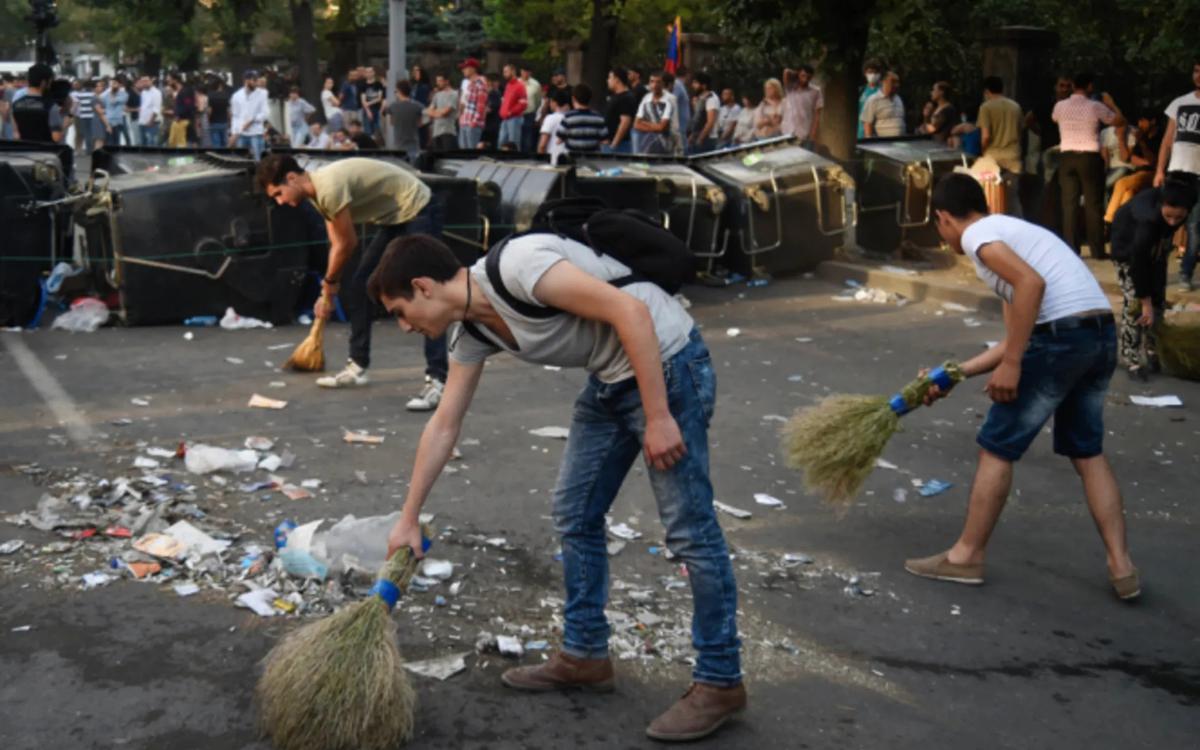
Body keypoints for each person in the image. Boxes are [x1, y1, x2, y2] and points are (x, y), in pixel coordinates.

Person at [368, 236, 746, 744]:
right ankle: (586, 654)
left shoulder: (521, 266)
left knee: (689, 531)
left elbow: (631, 312)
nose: (405, 325)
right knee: (575, 513)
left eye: (400, 311)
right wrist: (408, 518)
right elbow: (443, 424)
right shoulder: (471, 332)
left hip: (668, 364)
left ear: (422, 287)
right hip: (611, 380)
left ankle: (721, 681)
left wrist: (659, 417)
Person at [909, 172, 1138, 602]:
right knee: (1087, 452)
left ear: (943, 218)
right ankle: (1121, 565)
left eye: (938, 227)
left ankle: (965, 557)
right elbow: (1016, 333)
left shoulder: (979, 236)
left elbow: (1033, 289)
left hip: (1062, 339)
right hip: (1098, 334)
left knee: (996, 445)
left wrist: (1013, 366)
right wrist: (953, 375)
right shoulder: (1011, 232)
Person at [257, 154, 448, 410]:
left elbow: (347, 243)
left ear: (291, 178)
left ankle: (438, 380)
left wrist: (329, 284)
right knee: (361, 285)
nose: (280, 201)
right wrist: (329, 290)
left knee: (422, 292)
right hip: (395, 219)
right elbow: (336, 243)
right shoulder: (318, 194)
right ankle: (358, 365)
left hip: (419, 209)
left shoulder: (328, 187)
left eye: (279, 193)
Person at [1110, 180, 1198, 381]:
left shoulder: (1185, 200)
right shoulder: (1146, 221)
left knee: (1158, 299)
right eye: (1169, 215)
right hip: (1128, 252)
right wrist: (1145, 301)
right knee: (1135, 306)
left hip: (1156, 248)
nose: (1174, 222)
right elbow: (1138, 263)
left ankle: (1153, 348)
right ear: (1161, 205)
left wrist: (1153, 301)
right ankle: (1130, 358)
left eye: (1179, 217)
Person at [1053, 73, 1123, 259]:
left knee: (1069, 204)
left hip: (1067, 156)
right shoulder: (1096, 106)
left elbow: (1054, 119)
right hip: (1089, 156)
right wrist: (1111, 103)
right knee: (1093, 204)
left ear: (1073, 85)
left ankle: (1071, 248)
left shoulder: (1060, 106)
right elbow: (1118, 121)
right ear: (1090, 86)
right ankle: (1097, 250)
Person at [1154, 58, 1200, 291]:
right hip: (1177, 171)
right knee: (1166, 223)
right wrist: (1159, 170)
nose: (1198, 75)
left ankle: (1185, 273)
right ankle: (1157, 270)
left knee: (1194, 226)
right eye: (1196, 71)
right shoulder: (1180, 102)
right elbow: (1167, 141)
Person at [978, 76, 1024, 217]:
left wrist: (981, 152)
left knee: (990, 199)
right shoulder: (1016, 106)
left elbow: (985, 136)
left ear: (986, 91)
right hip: (1013, 159)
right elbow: (1020, 130)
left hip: (992, 160)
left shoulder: (986, 107)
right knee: (1012, 200)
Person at [1105, 114, 1162, 223]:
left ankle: (1108, 220)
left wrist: (1142, 143)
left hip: (1153, 174)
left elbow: (1154, 161)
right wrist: (1145, 161)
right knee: (1128, 194)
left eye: (1142, 121)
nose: (1139, 125)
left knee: (1121, 183)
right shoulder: (1142, 136)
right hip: (1140, 172)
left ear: (1153, 121)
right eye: (1138, 122)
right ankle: (1119, 225)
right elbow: (1132, 158)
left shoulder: (1160, 138)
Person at [12, 63, 63, 144]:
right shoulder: (50, 106)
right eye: (50, 81)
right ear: (43, 82)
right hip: (45, 152)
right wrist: (65, 124)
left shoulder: (16, 104)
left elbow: (16, 134)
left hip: (24, 152)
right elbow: (56, 138)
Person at [633, 72, 675, 155]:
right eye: (652, 81)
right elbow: (636, 124)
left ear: (663, 84)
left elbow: (662, 127)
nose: (655, 85)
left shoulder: (669, 100)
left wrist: (644, 123)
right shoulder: (646, 98)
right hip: (647, 145)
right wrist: (655, 126)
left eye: (658, 82)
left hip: (665, 146)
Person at [557, 83, 607, 154]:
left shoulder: (568, 117)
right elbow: (605, 141)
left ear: (573, 98)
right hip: (593, 159)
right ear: (590, 98)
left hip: (573, 158)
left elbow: (559, 140)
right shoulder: (598, 117)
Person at [230, 70, 269, 159]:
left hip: (256, 132)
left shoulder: (263, 93)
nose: (257, 83)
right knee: (241, 160)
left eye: (257, 80)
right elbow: (235, 116)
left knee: (257, 159)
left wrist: (252, 120)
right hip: (241, 133)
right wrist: (234, 133)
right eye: (254, 80)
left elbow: (265, 113)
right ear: (246, 81)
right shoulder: (236, 96)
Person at [781, 64, 822, 145]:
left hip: (804, 133)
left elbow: (817, 115)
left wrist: (812, 135)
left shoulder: (816, 91)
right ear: (798, 74)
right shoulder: (790, 88)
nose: (805, 79)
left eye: (808, 77)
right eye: (803, 75)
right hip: (787, 132)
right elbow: (786, 72)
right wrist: (797, 73)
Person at [386, 80, 425, 163]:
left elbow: (391, 122)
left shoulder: (393, 107)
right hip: (414, 145)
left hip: (399, 146)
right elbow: (420, 123)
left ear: (399, 91)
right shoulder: (418, 106)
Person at [601, 67, 637, 154]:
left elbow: (625, 122)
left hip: (619, 146)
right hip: (609, 144)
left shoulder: (626, 98)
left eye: (610, 78)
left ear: (617, 80)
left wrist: (614, 145)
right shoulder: (615, 96)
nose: (608, 80)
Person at [861, 71, 905, 138]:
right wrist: (870, 142)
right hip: (883, 144)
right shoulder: (873, 100)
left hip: (900, 142)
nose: (896, 85)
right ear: (884, 82)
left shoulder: (898, 99)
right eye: (893, 81)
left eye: (897, 82)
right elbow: (867, 123)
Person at [457, 58, 488, 150]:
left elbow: (481, 105)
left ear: (473, 69)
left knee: (472, 153)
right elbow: (465, 103)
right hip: (465, 122)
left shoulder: (480, 83)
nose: (463, 70)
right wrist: (461, 118)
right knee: (463, 152)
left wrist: (474, 122)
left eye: (465, 68)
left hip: (473, 124)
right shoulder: (469, 84)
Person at [687, 72, 720, 154]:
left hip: (707, 139)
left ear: (704, 86)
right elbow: (698, 118)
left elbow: (710, 122)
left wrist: (700, 138)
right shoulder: (701, 98)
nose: (693, 86)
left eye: (696, 83)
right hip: (697, 137)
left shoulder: (711, 99)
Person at [498, 64, 527, 150]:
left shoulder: (520, 86)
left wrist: (511, 111)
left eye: (506, 72)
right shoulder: (508, 85)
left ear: (513, 71)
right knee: (501, 142)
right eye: (504, 72)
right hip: (505, 118)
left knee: (513, 143)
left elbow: (523, 103)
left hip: (514, 118)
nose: (504, 74)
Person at [537, 87, 571, 164]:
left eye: (550, 102)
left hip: (553, 160)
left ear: (554, 102)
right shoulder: (571, 118)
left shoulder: (550, 118)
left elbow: (542, 145)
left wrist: (540, 162)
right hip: (569, 160)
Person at [427, 73, 459, 152]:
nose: (438, 83)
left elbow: (446, 112)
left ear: (447, 81)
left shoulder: (453, 94)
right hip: (436, 132)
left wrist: (436, 111)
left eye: (440, 81)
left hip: (448, 131)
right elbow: (429, 111)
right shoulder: (437, 95)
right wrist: (439, 112)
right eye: (437, 81)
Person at [70, 79, 97, 154]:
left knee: (85, 133)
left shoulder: (80, 94)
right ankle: (90, 149)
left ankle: (87, 149)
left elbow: (76, 103)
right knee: (91, 133)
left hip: (83, 115)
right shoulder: (93, 94)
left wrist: (71, 114)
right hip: (92, 115)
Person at [857, 59, 883, 139]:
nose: (873, 75)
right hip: (860, 133)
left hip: (877, 133)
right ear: (865, 73)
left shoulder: (882, 91)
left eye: (875, 72)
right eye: (870, 72)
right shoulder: (861, 91)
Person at [100, 77, 129, 146]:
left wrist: (111, 92)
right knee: (108, 141)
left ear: (119, 84)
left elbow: (113, 101)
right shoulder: (106, 94)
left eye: (115, 83)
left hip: (117, 120)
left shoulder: (124, 94)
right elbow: (101, 99)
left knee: (116, 141)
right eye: (112, 83)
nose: (113, 85)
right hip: (108, 120)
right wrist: (109, 91)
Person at [520, 64, 542, 153]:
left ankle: (527, 154)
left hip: (529, 114)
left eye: (527, 72)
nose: (525, 73)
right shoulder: (516, 82)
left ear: (530, 73)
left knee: (528, 138)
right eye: (523, 71)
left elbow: (538, 101)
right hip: (517, 114)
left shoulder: (536, 84)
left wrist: (533, 110)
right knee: (517, 136)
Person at [360, 67, 385, 140]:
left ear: (373, 73)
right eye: (367, 72)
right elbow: (363, 99)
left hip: (377, 109)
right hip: (367, 110)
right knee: (368, 131)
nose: (369, 73)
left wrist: (369, 103)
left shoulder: (378, 84)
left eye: (370, 71)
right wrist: (368, 110)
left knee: (377, 129)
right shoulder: (363, 85)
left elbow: (379, 98)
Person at [481, 73, 503, 150]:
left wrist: (479, 111)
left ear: (489, 82)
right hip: (485, 125)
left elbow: (490, 109)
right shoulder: (485, 93)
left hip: (492, 126)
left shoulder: (495, 94)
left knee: (490, 146)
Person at [207, 77, 230, 148]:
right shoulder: (226, 95)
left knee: (216, 144)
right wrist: (229, 121)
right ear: (220, 85)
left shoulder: (210, 95)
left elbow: (210, 111)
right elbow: (228, 110)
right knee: (225, 143)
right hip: (224, 122)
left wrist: (208, 119)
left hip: (214, 122)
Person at [672, 66, 692, 147]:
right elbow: (673, 101)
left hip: (683, 128)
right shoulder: (677, 85)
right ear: (686, 75)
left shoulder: (681, 86)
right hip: (679, 127)